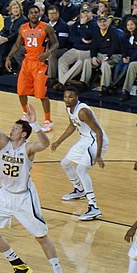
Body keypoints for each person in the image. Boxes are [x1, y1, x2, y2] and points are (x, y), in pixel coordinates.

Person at [0, 89, 70, 273]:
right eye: (13, 127)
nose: (11, 130)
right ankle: (18, 265)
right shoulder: (3, 143)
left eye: (15, 128)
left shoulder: (29, 148)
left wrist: (35, 124)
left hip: (24, 197)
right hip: (5, 195)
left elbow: (44, 143)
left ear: (23, 134)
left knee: (41, 237)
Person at [50, 86, 108, 221]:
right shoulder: (69, 109)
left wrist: (98, 155)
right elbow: (72, 125)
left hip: (97, 141)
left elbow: (98, 132)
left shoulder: (83, 111)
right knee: (65, 163)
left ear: (77, 97)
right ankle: (79, 189)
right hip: (85, 140)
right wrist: (58, 142)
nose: (67, 99)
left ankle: (94, 207)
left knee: (81, 170)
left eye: (70, 97)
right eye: (65, 96)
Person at [5, 5, 59, 132]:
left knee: (41, 94)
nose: (34, 15)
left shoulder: (46, 27)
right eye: (31, 13)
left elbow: (56, 43)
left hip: (40, 63)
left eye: (36, 12)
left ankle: (48, 121)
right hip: (27, 63)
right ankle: (26, 114)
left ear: (39, 14)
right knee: (21, 91)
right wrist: (9, 57)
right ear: (28, 15)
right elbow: (18, 44)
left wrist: (48, 52)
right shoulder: (23, 28)